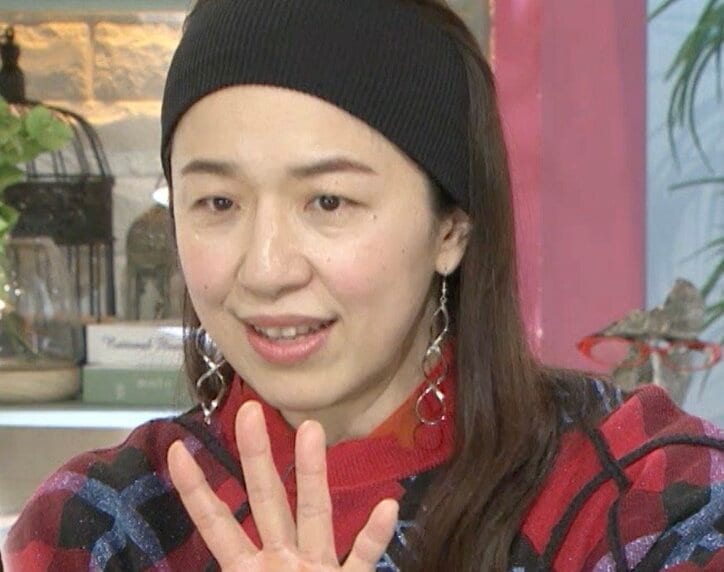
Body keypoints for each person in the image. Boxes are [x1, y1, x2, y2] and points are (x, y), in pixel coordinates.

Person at [3, 0, 724, 570]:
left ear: (451, 229)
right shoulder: (105, 524)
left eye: (329, 202)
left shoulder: (640, 493)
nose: (266, 270)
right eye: (218, 203)